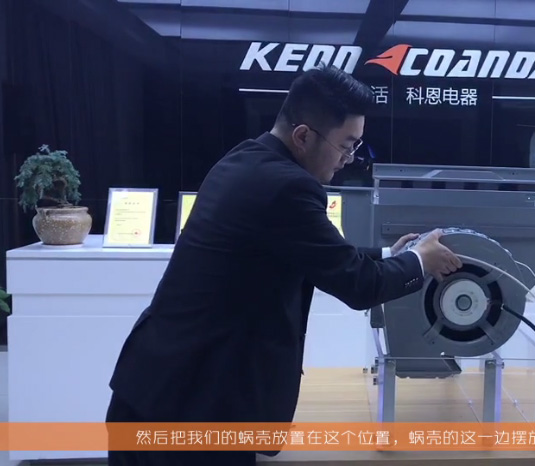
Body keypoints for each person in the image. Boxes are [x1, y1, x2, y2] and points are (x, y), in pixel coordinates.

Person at [105, 64, 462, 465]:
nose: (348, 159)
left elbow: (311, 249)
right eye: (346, 146)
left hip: (159, 386)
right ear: (303, 136)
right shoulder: (288, 187)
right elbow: (359, 285)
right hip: (190, 408)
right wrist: (420, 261)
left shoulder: (246, 158)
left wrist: (387, 255)